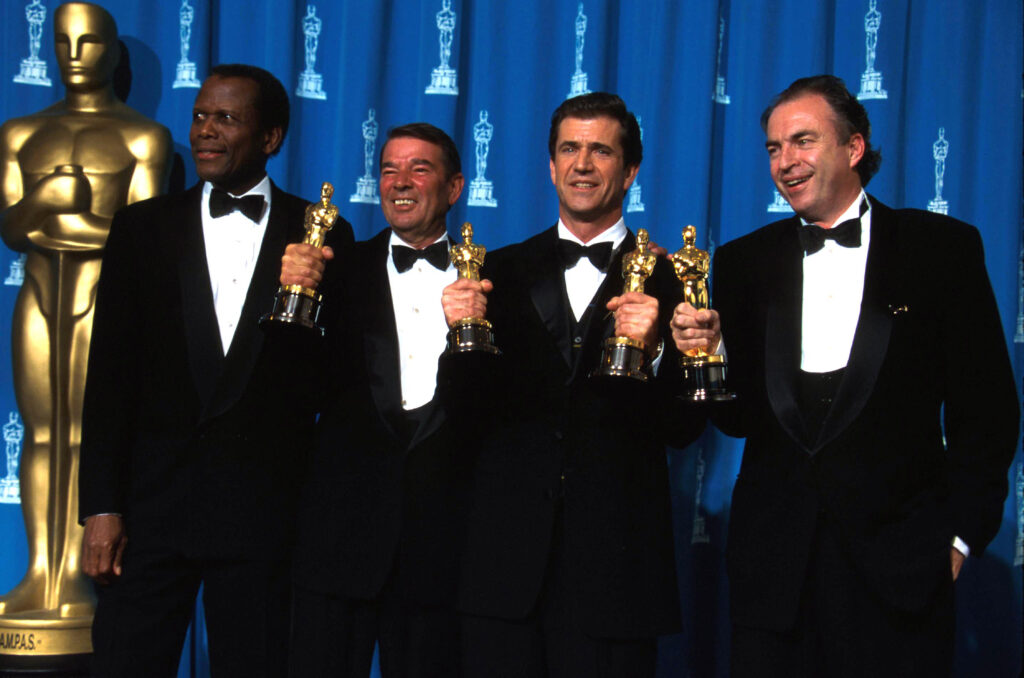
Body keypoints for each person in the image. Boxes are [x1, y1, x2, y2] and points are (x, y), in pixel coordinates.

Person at [670, 74, 1019, 677]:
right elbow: (738, 418)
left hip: (901, 575)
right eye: (774, 148)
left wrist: (960, 540)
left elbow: (986, 410)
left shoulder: (941, 249)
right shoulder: (744, 261)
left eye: (802, 141)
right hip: (773, 578)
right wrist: (709, 353)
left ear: (854, 147)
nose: (786, 162)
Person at [77, 64, 353, 677]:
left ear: (271, 138)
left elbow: (329, 385)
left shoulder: (322, 232)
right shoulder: (142, 227)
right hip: (147, 517)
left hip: (263, 519)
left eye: (226, 118)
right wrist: (101, 506)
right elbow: (110, 376)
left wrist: (307, 307)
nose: (205, 131)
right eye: (201, 116)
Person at [440, 92, 705, 677]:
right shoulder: (493, 273)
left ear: (631, 169)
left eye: (601, 150)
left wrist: (659, 353)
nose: (582, 164)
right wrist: (458, 338)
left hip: (618, 571)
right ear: (551, 165)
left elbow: (685, 430)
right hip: (503, 569)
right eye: (569, 149)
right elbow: (462, 416)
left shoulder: (678, 277)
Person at [0, 2, 171, 626]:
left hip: (106, 301)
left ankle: (79, 572)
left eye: (89, 43)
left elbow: (144, 238)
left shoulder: (142, 138)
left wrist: (65, 217)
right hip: (39, 294)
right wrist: (44, 198)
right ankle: (39, 572)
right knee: (42, 432)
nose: (73, 56)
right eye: (62, 42)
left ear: (113, 52)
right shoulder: (19, 134)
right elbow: (13, 229)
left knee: (91, 435)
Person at [280, 123, 469, 677]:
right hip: (339, 541)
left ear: (455, 188)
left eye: (419, 169)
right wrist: (293, 297)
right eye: (389, 169)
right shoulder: (333, 272)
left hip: (444, 548)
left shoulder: (491, 281)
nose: (400, 183)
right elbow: (293, 387)